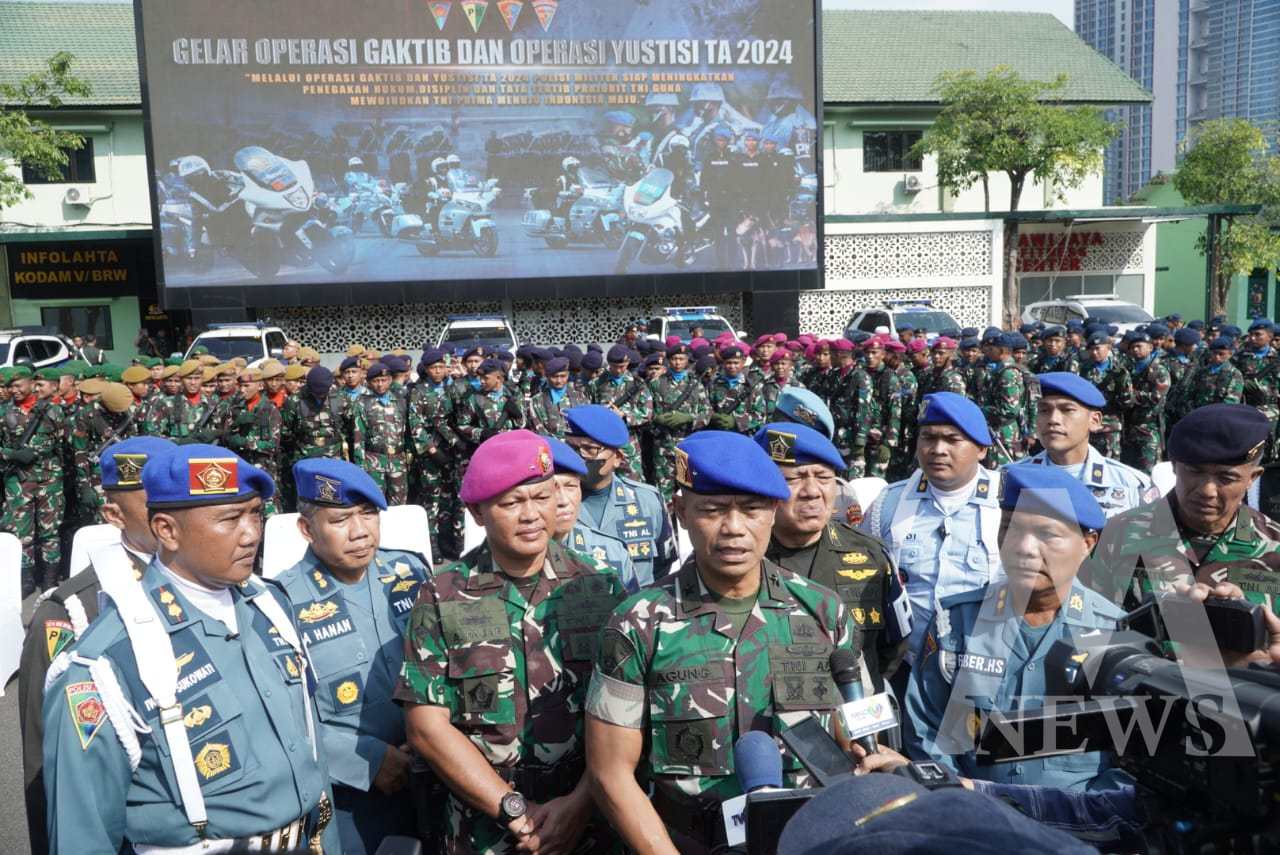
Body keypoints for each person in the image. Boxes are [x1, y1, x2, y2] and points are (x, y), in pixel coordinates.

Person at [42, 444, 339, 851]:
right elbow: (83, 833)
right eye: (230, 518)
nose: (252, 533)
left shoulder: (272, 608)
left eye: (255, 513)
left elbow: (312, 754)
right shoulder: (109, 661)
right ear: (167, 530)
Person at [586, 431, 858, 854]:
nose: (734, 529)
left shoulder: (824, 611)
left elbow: (852, 742)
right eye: (712, 510)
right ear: (680, 512)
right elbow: (610, 772)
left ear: (773, 510)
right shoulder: (638, 623)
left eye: (751, 510)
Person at [395, 430, 628, 853]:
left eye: (541, 497)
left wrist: (578, 806)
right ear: (477, 512)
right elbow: (427, 726)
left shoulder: (600, 588)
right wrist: (513, 810)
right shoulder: (441, 595)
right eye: (511, 503)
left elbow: (627, 716)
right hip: (484, 829)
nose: (532, 515)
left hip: (590, 823)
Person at [905, 465, 1129, 790]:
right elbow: (926, 731)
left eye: (1047, 534)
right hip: (973, 817)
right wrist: (957, 798)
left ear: (1088, 543)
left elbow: (1131, 760)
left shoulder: (1114, 632)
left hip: (1078, 826)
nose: (1024, 547)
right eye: (1011, 527)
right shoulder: (954, 622)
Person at [19, 435, 173, 855]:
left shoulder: (217, 589)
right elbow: (48, 770)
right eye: (156, 507)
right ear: (114, 514)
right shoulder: (71, 613)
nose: (174, 520)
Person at [275, 459, 430, 853]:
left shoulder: (410, 570)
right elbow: (281, 718)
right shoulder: (280, 603)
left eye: (368, 515)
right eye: (341, 520)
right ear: (307, 529)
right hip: (353, 799)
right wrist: (367, 759)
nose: (360, 532)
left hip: (435, 775)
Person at [859, 392, 1003, 722]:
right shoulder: (889, 504)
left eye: (952, 440)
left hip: (987, 670)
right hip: (906, 672)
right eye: (929, 438)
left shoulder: (1007, 501)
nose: (938, 450)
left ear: (981, 448)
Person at [756, 421, 907, 692]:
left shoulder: (870, 555)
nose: (812, 491)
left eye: (824, 477)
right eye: (794, 478)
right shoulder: (742, 558)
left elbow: (892, 647)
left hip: (854, 720)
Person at [1084, 403, 1280, 609]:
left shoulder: (1274, 547)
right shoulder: (1119, 533)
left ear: (1252, 478)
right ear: (1175, 467)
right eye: (1195, 472)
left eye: (1227, 477)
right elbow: (1085, 623)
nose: (1207, 491)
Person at [1011, 373, 1154, 519]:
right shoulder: (1012, 478)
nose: (1053, 420)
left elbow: (1155, 540)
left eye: (1067, 410)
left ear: (1094, 421)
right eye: (1044, 410)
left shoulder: (1131, 484)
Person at [566, 404, 676, 588]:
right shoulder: (553, 503)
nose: (579, 457)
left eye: (589, 449)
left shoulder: (647, 500)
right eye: (572, 447)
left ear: (618, 458)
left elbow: (662, 566)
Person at [2, 365, 67, 594]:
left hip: (49, 479)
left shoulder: (52, 410)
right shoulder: (3, 412)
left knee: (50, 530)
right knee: (21, 532)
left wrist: (40, 452)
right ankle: (26, 580)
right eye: (10, 386)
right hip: (17, 481)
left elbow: (62, 443)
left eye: (18, 385)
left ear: (31, 384)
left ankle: (49, 580)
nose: (14, 390)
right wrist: (11, 454)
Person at [545, 434, 638, 591]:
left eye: (570, 486)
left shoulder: (613, 551)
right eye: (550, 489)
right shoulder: (511, 558)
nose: (563, 500)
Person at [649, 342, 711, 503]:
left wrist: (690, 418)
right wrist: (657, 418)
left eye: (681, 359)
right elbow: (647, 411)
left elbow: (707, 414)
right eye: (674, 359)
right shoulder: (657, 383)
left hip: (689, 444)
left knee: (691, 489)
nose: (677, 362)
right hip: (664, 446)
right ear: (668, 360)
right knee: (664, 492)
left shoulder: (696, 384)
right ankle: (667, 525)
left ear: (687, 361)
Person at [588, 345, 653, 479]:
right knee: (604, 480)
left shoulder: (637, 384)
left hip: (628, 442)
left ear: (628, 363)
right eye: (614, 366)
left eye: (622, 366)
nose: (618, 370)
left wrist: (625, 416)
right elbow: (589, 409)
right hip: (603, 442)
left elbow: (647, 413)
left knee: (633, 481)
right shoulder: (597, 383)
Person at [351, 361, 411, 505]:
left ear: (390, 380)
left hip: (397, 460)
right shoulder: (362, 403)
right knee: (374, 502)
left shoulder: (400, 401)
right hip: (374, 460)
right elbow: (359, 436)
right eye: (376, 381)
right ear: (369, 382)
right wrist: (360, 464)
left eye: (383, 380)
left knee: (399, 503)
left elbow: (408, 431)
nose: (380, 384)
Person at [1079, 331, 1134, 460]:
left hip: (1110, 424)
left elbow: (1127, 401)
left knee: (1110, 462)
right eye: (1091, 349)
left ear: (1108, 348)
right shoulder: (1084, 369)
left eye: (1098, 348)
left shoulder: (1119, 370)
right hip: (1088, 422)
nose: (1094, 352)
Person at [706, 344, 765, 435]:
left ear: (742, 363)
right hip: (718, 433)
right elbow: (705, 407)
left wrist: (736, 421)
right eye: (729, 363)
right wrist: (713, 417)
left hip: (743, 436)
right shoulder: (713, 384)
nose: (732, 366)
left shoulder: (751, 386)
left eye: (736, 363)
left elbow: (760, 415)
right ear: (723, 363)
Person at [525, 356, 588, 437]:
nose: (559, 381)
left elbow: (587, 426)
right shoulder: (537, 401)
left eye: (562, 376)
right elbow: (540, 432)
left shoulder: (579, 397)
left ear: (568, 375)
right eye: (554, 377)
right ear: (547, 376)